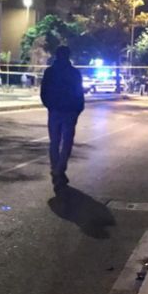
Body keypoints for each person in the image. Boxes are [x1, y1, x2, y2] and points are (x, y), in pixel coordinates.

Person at [41, 46, 85, 190]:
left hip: (56, 111)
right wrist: (78, 109)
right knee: (67, 142)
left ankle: (56, 169)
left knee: (55, 142)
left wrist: (50, 105)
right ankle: (59, 169)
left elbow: (44, 91)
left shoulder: (50, 72)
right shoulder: (74, 73)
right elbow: (79, 93)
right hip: (69, 111)